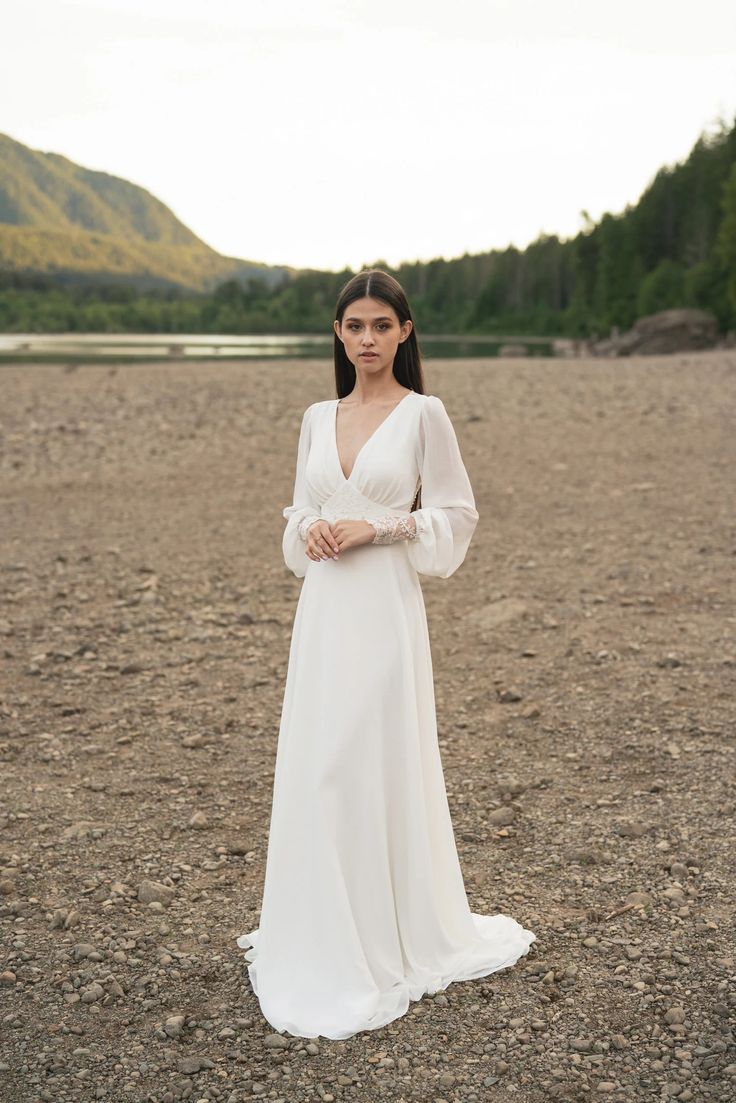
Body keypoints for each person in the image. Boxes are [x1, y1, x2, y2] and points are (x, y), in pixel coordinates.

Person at [236, 269, 536, 1040]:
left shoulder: (423, 414)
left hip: (383, 607)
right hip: (326, 607)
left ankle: (382, 936)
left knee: (359, 759)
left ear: (404, 331)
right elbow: (301, 508)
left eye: (380, 325)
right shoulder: (315, 416)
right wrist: (309, 527)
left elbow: (455, 513)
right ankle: (321, 932)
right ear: (337, 335)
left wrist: (382, 527)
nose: (366, 338)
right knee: (318, 761)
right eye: (353, 326)